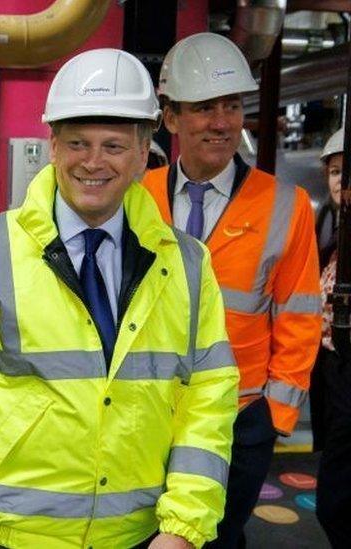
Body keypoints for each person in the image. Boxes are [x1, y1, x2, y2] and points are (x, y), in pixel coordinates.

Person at [0, 48, 239, 549]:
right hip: (13, 532)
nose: (92, 162)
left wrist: (184, 528)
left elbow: (208, 401)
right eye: (77, 143)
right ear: (53, 145)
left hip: (142, 535)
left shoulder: (187, 265)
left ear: (145, 148)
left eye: (113, 146)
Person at [142, 32, 321, 548]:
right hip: (149, 412)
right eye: (202, 108)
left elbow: (300, 313)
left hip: (240, 417)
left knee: (218, 537)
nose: (221, 122)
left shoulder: (286, 204)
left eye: (231, 105)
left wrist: (274, 414)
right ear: (170, 118)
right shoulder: (137, 198)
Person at [312, 127, 350, 545]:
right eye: (336, 171)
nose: (341, 180)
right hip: (331, 368)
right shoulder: (332, 228)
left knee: (335, 502)